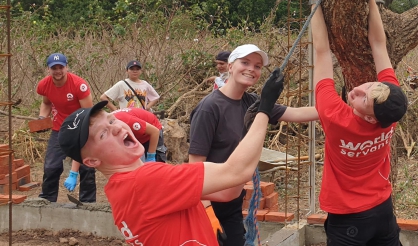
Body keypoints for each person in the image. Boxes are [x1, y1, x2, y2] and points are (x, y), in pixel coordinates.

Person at [56, 69, 285, 246]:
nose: (116, 128)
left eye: (112, 120)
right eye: (103, 134)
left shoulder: (119, 189)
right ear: (92, 162)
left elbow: (227, 190)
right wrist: (263, 110)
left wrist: (210, 215)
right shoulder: (146, 180)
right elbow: (237, 172)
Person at [309, 0, 409, 246]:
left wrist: (315, 0)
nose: (359, 90)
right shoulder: (390, 104)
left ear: (369, 119)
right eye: (371, 86)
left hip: (347, 218)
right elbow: (378, 44)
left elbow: (321, 50)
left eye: (364, 99)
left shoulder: (335, 115)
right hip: (382, 209)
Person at [189, 44, 318, 246]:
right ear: (230, 66)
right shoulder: (209, 108)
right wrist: (207, 212)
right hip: (207, 204)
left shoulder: (253, 103)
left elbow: (297, 114)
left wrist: (339, 106)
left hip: (232, 201)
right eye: (245, 62)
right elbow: (194, 168)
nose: (252, 69)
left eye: (257, 66)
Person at [36, 52, 96, 203]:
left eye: (61, 67)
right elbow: (46, 102)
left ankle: (88, 203)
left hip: (81, 127)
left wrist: (73, 172)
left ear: (67, 67)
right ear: (48, 69)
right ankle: (47, 200)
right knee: (51, 166)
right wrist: (42, 118)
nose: (57, 71)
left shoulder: (79, 85)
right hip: (59, 129)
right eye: (54, 68)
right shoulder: (44, 84)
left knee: (86, 167)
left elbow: (87, 114)